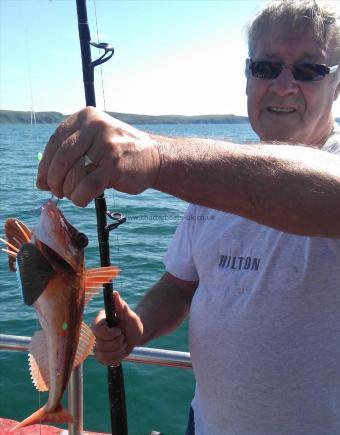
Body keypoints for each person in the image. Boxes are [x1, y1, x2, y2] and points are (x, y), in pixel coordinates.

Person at [37, 0, 340, 433]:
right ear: (248, 77)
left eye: (309, 69)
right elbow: (181, 286)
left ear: (338, 84)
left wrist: (159, 159)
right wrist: (139, 325)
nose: (284, 85)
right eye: (267, 67)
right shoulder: (217, 181)